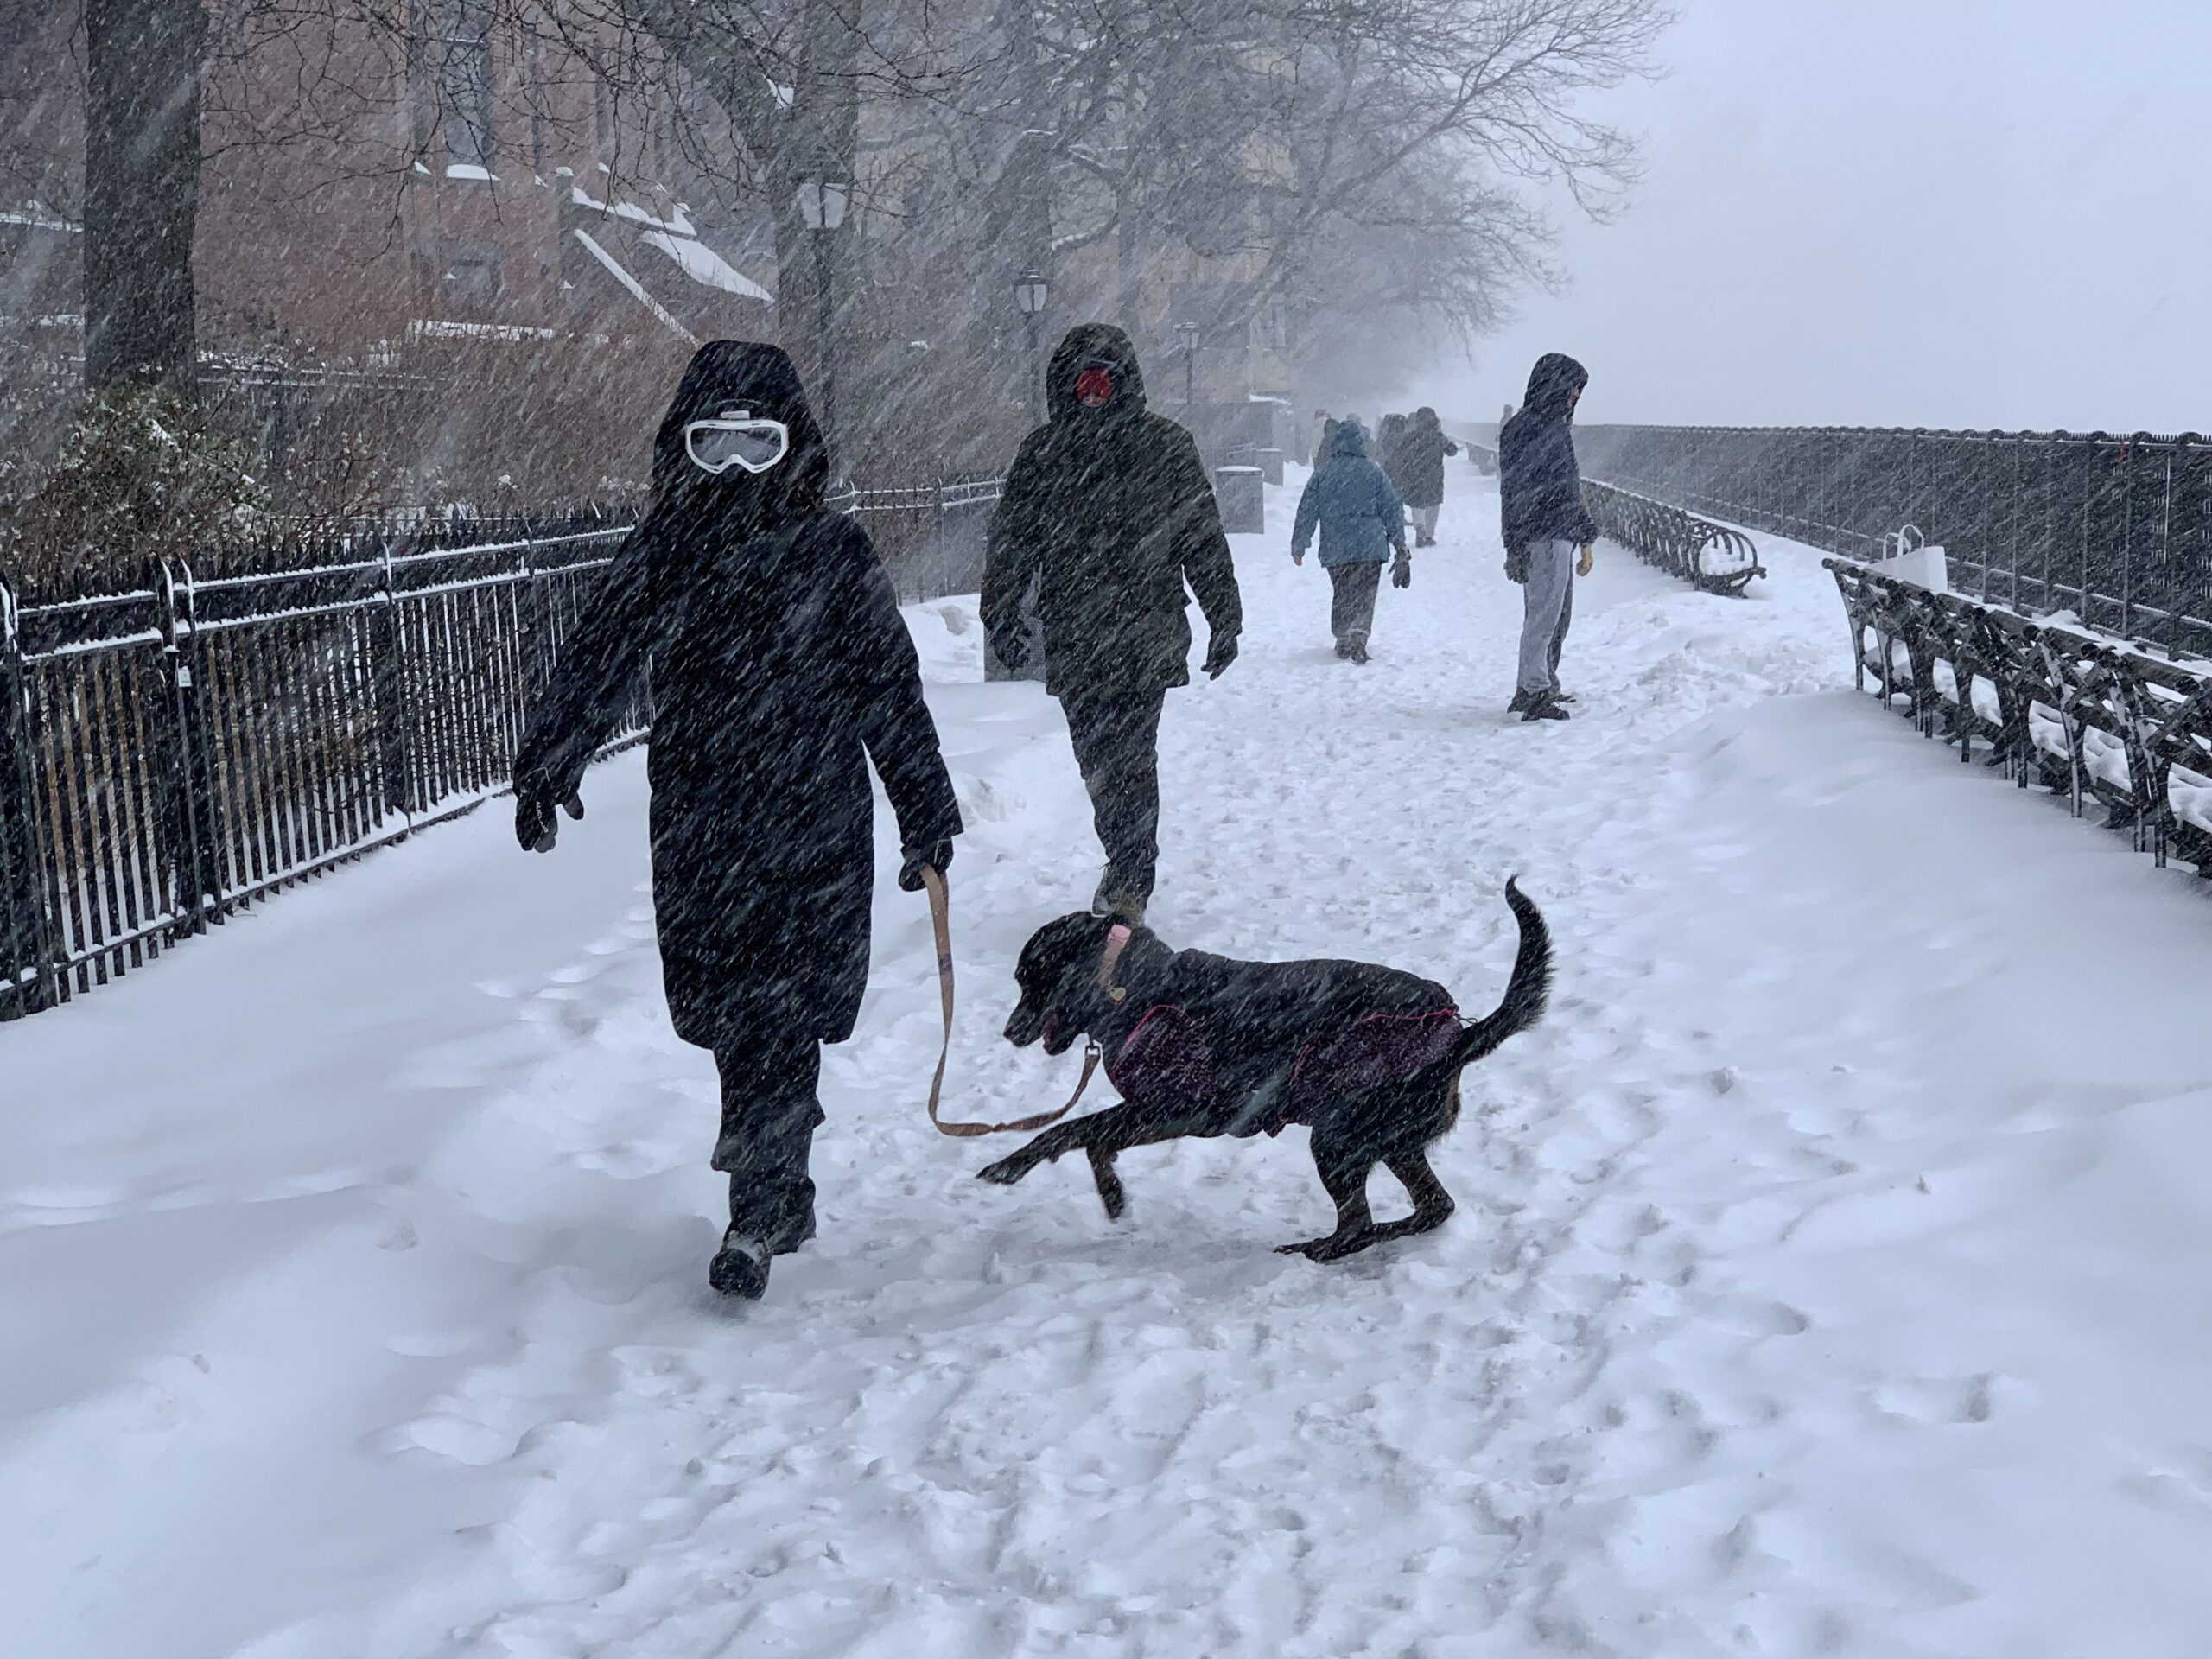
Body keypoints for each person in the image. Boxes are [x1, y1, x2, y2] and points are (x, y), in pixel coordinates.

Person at [511, 341, 963, 1300]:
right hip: (702, 821)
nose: (734, 470)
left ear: (793, 448)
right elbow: (599, 656)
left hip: (813, 816)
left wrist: (925, 811)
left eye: (757, 446)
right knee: (730, 1006)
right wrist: (551, 759)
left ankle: (757, 1202)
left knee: (780, 1007)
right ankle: (778, 1181)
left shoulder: (833, 551)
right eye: (712, 445)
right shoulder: (665, 550)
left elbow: (888, 687)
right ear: (681, 447)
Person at [984, 323, 1243, 925]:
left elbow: (1202, 538)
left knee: (1131, 758)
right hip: (1078, 636)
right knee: (1097, 763)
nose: (1095, 392)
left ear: (1125, 383)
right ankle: (1124, 859)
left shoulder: (1165, 447)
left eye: (1105, 380)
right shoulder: (1044, 454)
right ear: (1066, 386)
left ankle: (1131, 876)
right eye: (1085, 382)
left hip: (1141, 635)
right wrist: (1001, 614)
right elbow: (1012, 541)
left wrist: (1224, 618)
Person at [1497, 353, 1597, 722]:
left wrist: (1582, 534)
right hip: (1547, 533)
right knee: (1545, 618)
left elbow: (1514, 490)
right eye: (1573, 387)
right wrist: (1581, 530)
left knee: (1551, 616)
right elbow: (1559, 488)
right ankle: (1534, 690)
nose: (1576, 396)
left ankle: (1539, 683)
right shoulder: (1543, 429)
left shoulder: (1534, 426)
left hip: (1548, 532)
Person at [1291, 418, 1410, 664]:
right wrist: (1399, 544)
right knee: (1366, 592)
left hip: (1337, 547)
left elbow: (1307, 511)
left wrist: (1299, 544)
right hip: (1370, 547)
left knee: (1343, 590)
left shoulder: (1323, 473)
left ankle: (1343, 635)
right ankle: (1359, 635)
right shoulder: (1374, 472)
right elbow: (1392, 509)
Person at [1399, 407, 1460, 548]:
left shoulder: (1411, 437)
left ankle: (1419, 527)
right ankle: (1429, 535)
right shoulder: (1438, 437)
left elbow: (1402, 454)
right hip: (1434, 476)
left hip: (1415, 475)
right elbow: (1452, 451)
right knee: (1433, 505)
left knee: (1418, 504)